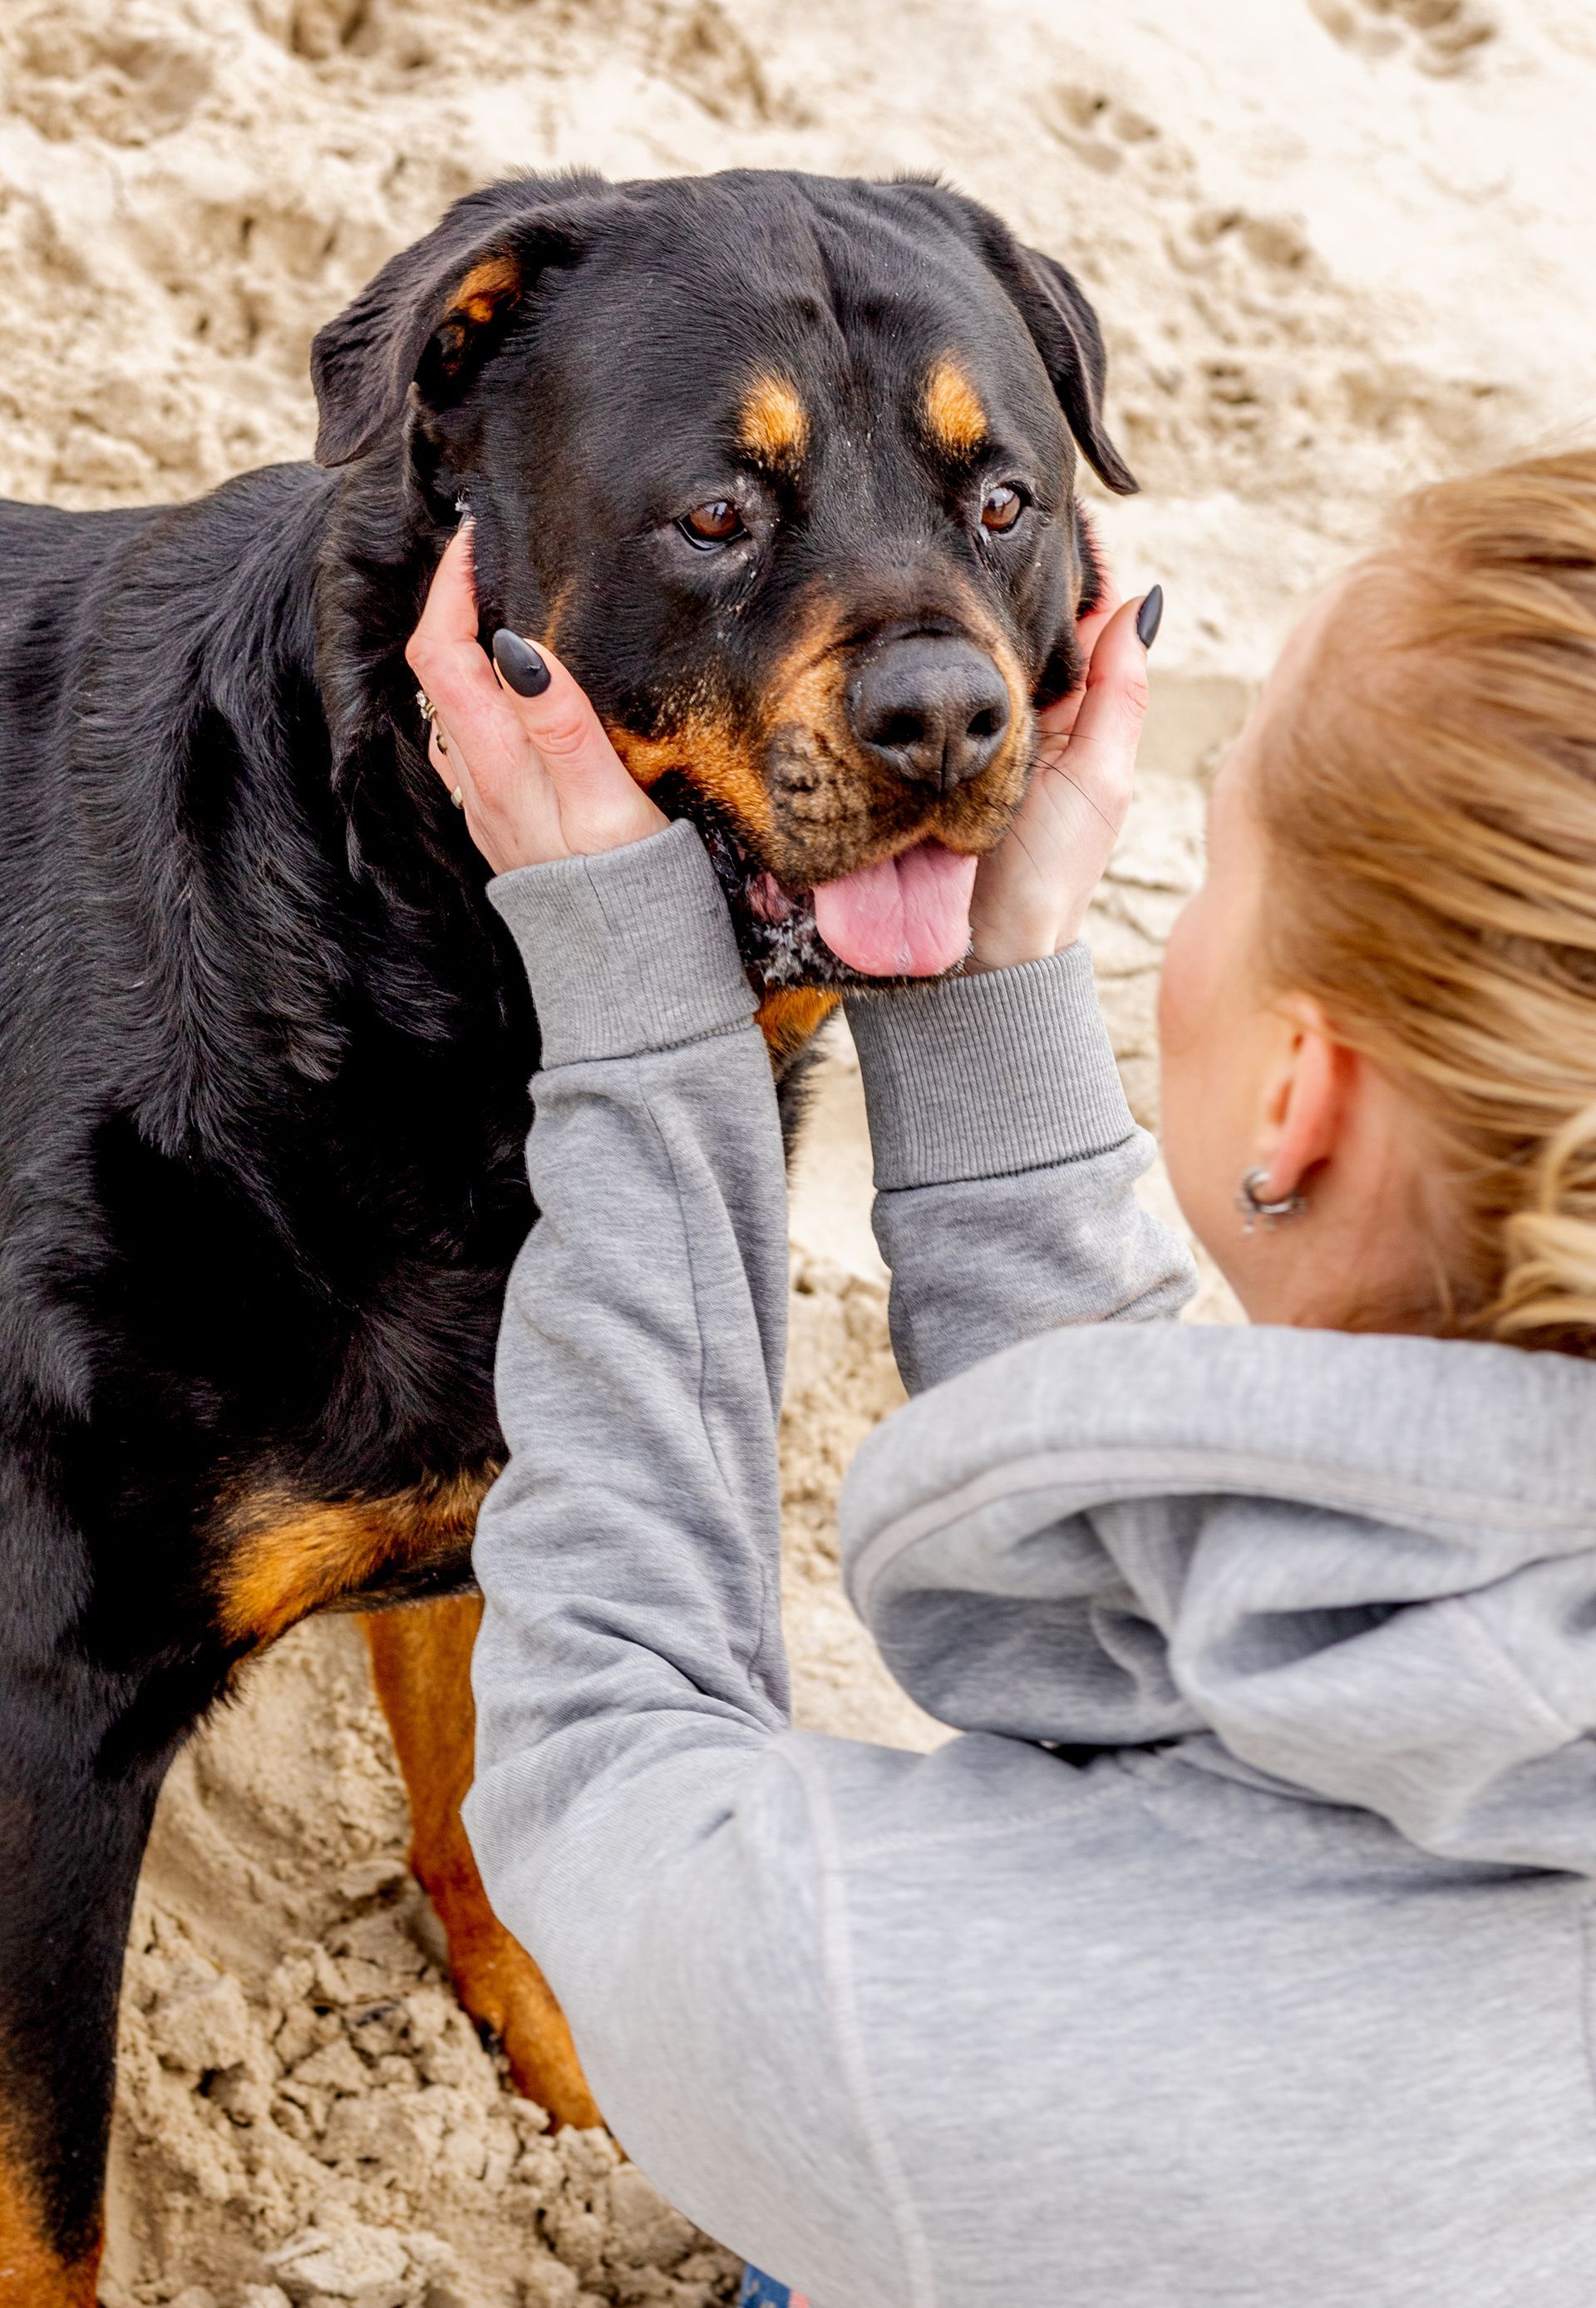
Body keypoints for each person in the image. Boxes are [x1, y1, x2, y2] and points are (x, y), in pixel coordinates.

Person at [406, 451, 1596, 2307]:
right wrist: (980, 974)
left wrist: (640, 1021)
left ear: (1299, 1095)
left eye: (1220, 858)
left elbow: (603, 1759)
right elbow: (1200, 1683)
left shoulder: (902, 2007)